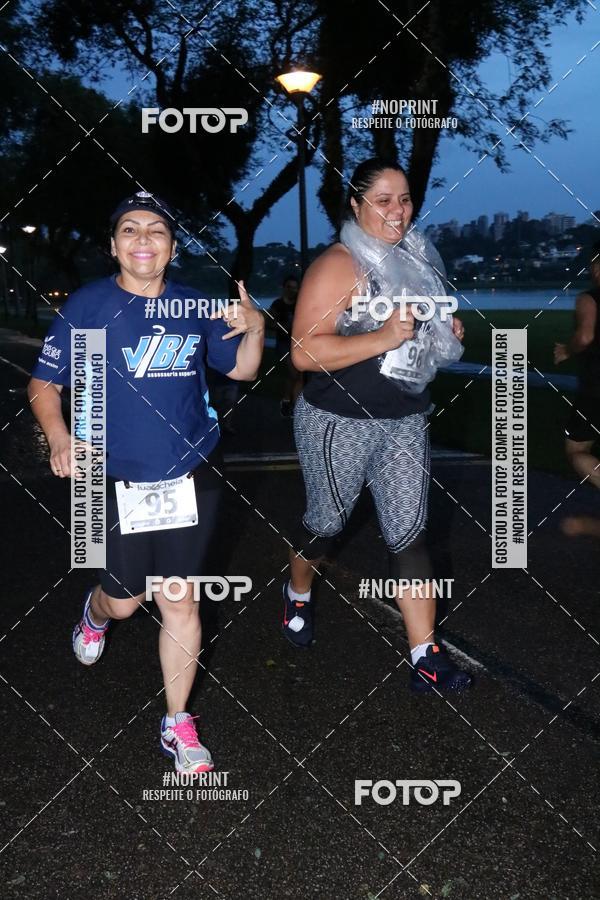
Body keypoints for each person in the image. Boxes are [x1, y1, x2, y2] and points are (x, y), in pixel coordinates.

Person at [27, 191, 265, 771]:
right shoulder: (88, 306)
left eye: (155, 230)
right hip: (113, 477)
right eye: (129, 230)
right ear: (114, 246)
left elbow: (241, 368)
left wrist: (256, 328)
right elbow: (44, 385)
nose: (142, 240)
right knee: (128, 602)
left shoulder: (195, 306)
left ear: (171, 247)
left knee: (180, 597)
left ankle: (176, 722)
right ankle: (95, 611)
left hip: (192, 469)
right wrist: (60, 437)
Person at [281, 158, 472, 693]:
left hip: (406, 420)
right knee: (325, 525)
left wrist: (445, 335)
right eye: (384, 200)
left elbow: (425, 342)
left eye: (406, 198)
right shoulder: (339, 265)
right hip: (336, 421)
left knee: (411, 535)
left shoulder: (417, 259)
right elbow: (301, 352)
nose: (398, 210)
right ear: (357, 204)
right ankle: (297, 593)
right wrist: (384, 338)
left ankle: (424, 657)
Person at [555, 240, 600, 538]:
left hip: (595, 391)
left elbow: (584, 337)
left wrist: (566, 351)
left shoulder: (589, 298)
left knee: (576, 451)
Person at [269, 274, 303, 416]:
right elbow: (271, 323)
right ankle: (289, 402)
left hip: (299, 343)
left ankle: (291, 403)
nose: (292, 290)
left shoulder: (300, 304)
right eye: (289, 287)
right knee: (293, 373)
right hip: (284, 343)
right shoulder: (278, 304)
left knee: (297, 375)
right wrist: (284, 326)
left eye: (295, 288)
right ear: (284, 288)